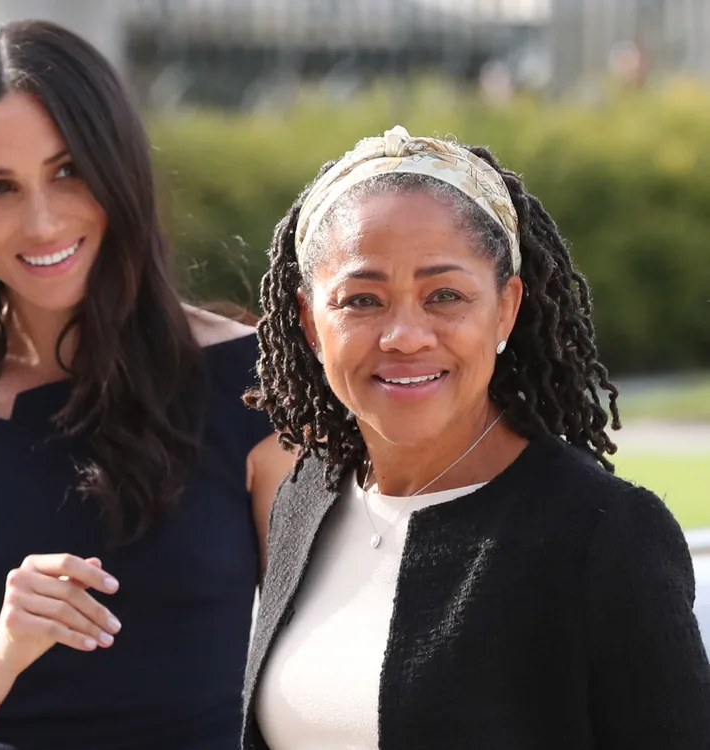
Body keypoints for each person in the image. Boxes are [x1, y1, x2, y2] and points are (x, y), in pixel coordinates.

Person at [0, 20, 292, 750]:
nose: (42, 221)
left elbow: (324, 678)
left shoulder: (254, 384)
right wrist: (4, 649)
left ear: (119, 172)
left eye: (69, 170)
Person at [242, 126, 710, 749]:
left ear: (506, 308)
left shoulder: (602, 535)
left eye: (444, 295)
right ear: (309, 321)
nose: (405, 334)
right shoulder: (307, 495)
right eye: (361, 300)